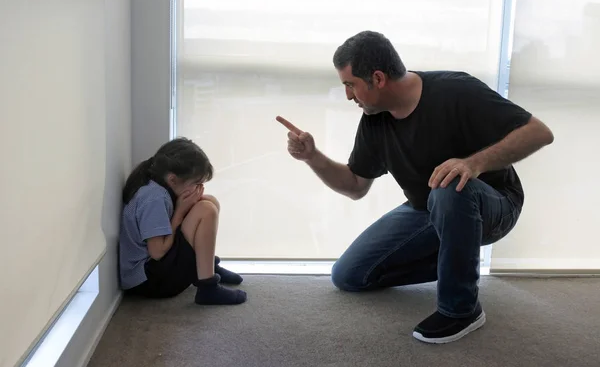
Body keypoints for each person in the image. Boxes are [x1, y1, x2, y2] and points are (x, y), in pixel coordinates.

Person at [276, 30, 554, 343]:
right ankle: (455, 260)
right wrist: (312, 157)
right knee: (349, 275)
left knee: (450, 187)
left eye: (350, 85)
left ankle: (461, 310)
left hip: (493, 203)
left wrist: (473, 164)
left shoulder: (456, 91)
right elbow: (355, 186)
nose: (348, 96)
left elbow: (539, 132)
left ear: (378, 78)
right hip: (427, 208)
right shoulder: (375, 120)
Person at [119, 137, 247, 305]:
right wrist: (179, 212)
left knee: (209, 201)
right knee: (206, 211)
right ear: (172, 179)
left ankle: (207, 266)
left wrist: (184, 208)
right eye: (196, 183)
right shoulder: (154, 198)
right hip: (148, 281)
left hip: (154, 268)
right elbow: (157, 252)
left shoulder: (159, 184)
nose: (199, 188)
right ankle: (207, 288)